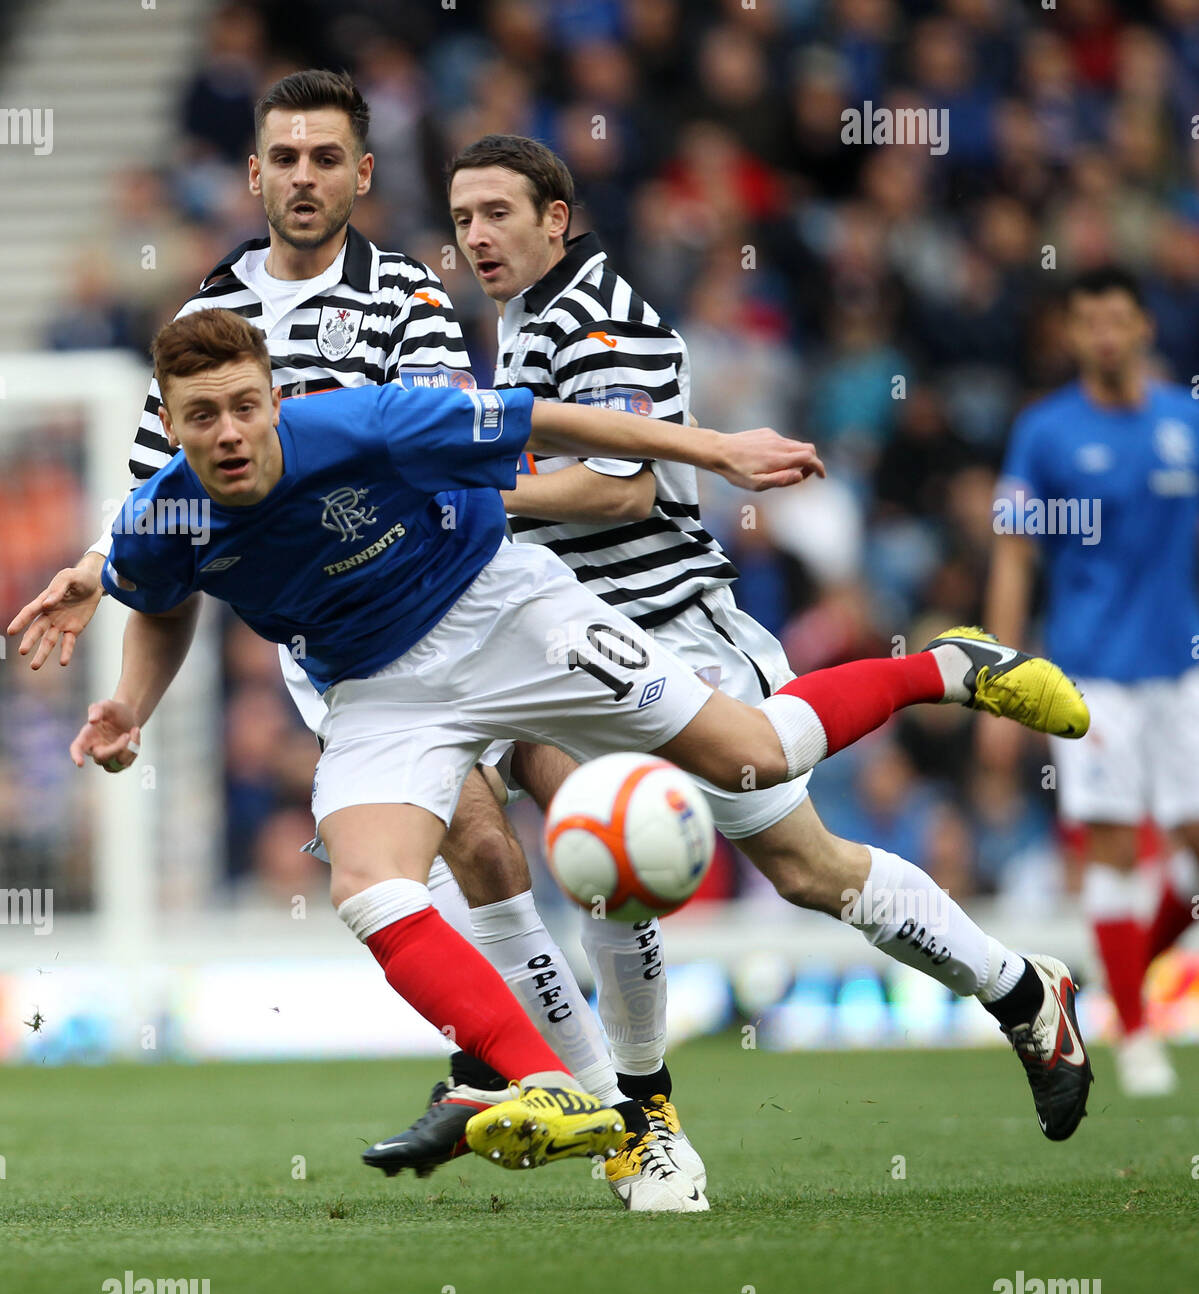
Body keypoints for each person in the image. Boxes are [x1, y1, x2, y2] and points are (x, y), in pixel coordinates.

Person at [73, 309, 1090, 1169]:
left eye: (247, 405)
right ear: (169, 421)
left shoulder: (366, 424)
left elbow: (539, 417)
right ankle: (552, 1081)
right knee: (368, 882)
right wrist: (130, 704)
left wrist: (720, 449)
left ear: (275, 398)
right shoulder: (158, 517)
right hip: (380, 693)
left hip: (506, 614)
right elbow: (159, 604)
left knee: (753, 758)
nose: (230, 431)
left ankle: (944, 669)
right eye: (202, 416)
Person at [5, 71, 722, 1203]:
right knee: (480, 845)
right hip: (348, 646)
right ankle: (607, 1118)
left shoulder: (402, 292)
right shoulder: (211, 316)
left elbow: (448, 435)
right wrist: (104, 569)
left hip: (468, 590)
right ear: (253, 173)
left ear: (359, 175)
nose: (302, 176)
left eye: (324, 157)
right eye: (282, 157)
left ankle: (612, 1086)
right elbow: (167, 489)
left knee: (593, 825)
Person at [369, 135, 1097, 1183]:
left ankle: (630, 1111)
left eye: (497, 213)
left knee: (749, 861)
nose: (475, 236)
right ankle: (1022, 994)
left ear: (556, 218)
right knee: (755, 864)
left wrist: (465, 498)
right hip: (559, 638)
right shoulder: (525, 314)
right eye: (462, 216)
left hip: (662, 629)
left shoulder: (600, 319)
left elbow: (618, 490)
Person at [984, 265, 1199, 1097]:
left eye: (1118, 318)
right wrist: (997, 677)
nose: (1105, 334)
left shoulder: (1185, 422)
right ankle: (1136, 1033)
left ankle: (1118, 985)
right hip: (1092, 677)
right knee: (1113, 848)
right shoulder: (1045, 432)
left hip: (1180, 668)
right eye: (1088, 321)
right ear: (1071, 335)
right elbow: (1012, 551)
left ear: (1143, 328)